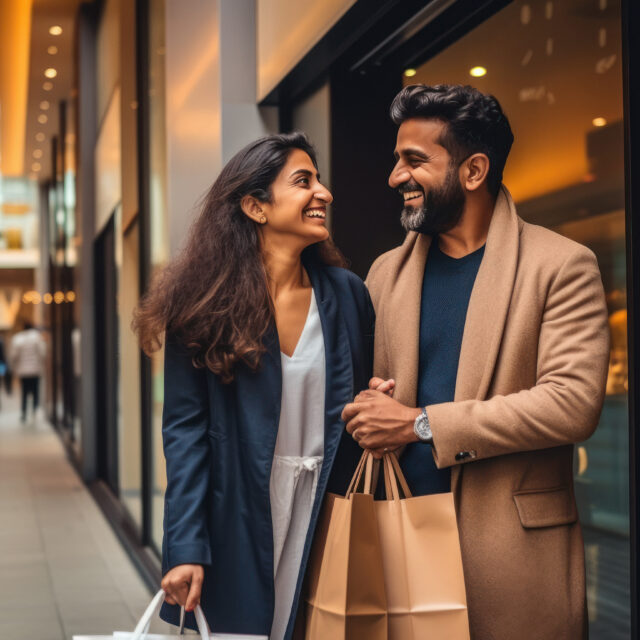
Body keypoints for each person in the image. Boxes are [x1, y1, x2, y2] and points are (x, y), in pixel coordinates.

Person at [342, 84, 610, 639]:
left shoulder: (560, 265)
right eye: (397, 160)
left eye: (414, 160)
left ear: (473, 171)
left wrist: (419, 424)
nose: (396, 177)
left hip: (513, 561)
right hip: (400, 546)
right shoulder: (383, 274)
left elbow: (572, 404)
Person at [133, 133, 372, 640]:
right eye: (303, 181)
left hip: (326, 511)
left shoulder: (348, 295)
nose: (323, 193)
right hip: (238, 515)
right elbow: (185, 435)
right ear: (254, 206)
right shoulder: (202, 305)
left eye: (320, 180)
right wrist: (185, 547)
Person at [9, 321, 46, 422]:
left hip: (23, 371)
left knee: (24, 392)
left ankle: (24, 412)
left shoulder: (17, 338)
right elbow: (42, 353)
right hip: (35, 370)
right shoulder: (37, 337)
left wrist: (14, 367)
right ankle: (34, 410)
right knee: (35, 391)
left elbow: (13, 356)